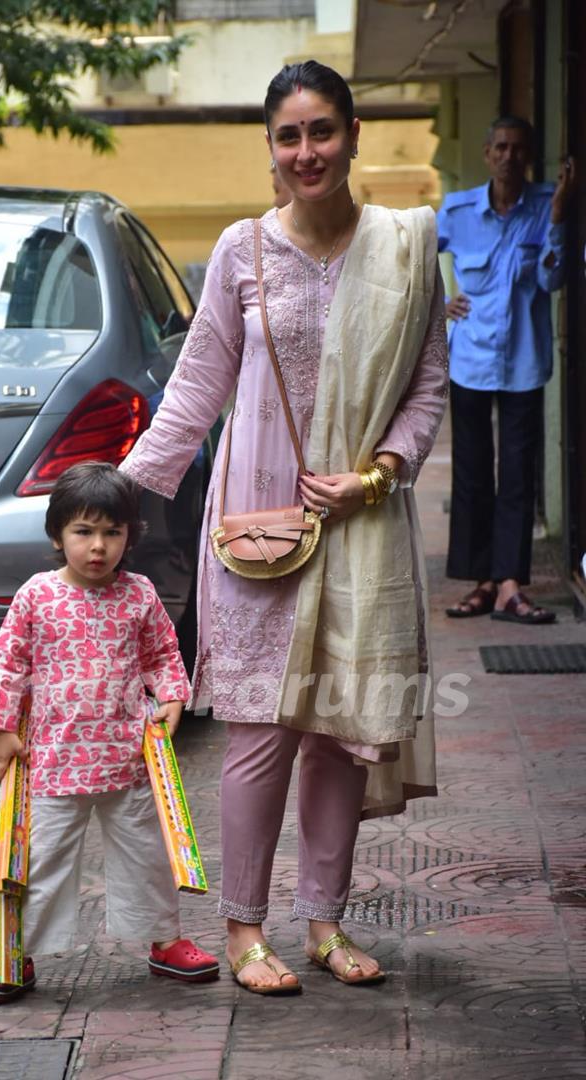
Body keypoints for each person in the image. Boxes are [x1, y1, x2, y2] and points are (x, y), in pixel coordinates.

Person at [121, 60, 448, 995]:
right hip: (255, 531)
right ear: (271, 148)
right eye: (289, 136)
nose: (307, 151)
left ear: (351, 135)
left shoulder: (403, 249)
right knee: (263, 733)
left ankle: (324, 923)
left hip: (362, 524)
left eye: (322, 131)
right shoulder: (242, 252)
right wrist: (127, 489)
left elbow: (426, 391)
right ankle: (244, 931)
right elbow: (198, 387)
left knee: (340, 734)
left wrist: (377, 477)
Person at [0, 461, 219, 1005]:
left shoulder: (139, 594)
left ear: (131, 534)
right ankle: (19, 949)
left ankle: (165, 940)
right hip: (51, 763)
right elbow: (7, 664)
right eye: (83, 531)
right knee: (37, 860)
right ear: (57, 534)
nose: (98, 546)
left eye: (112, 531)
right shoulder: (37, 595)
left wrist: (173, 696)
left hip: (129, 758)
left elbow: (161, 653)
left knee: (146, 855)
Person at [439, 116, 576, 624]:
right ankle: (481, 582)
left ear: (529, 157)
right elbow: (409, 260)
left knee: (517, 475)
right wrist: (438, 302)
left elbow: (554, 279)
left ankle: (511, 586)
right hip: (470, 360)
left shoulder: (545, 206)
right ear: (486, 153)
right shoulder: (457, 212)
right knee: (472, 475)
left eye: (518, 149)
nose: (508, 156)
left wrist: (559, 215)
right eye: (500, 147)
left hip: (522, 361)